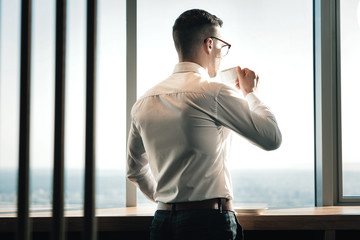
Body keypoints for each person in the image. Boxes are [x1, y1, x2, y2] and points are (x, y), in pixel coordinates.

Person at [127, 9, 282, 240]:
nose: (222, 53)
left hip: (162, 223)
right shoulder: (214, 93)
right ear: (209, 44)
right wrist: (251, 93)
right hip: (208, 223)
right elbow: (272, 138)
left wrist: (170, 202)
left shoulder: (144, 101)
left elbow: (135, 170)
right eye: (222, 46)